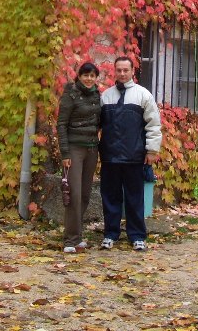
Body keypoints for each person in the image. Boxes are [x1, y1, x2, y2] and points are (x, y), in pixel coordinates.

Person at [99, 56, 162, 251]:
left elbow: (153, 124)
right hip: (110, 156)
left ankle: (137, 236)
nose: (122, 73)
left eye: (126, 70)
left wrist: (152, 150)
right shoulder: (106, 96)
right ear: (114, 71)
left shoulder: (143, 95)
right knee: (110, 197)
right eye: (119, 70)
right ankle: (110, 234)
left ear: (132, 71)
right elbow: (97, 125)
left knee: (135, 197)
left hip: (134, 156)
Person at [57, 61, 101, 253]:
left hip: (92, 149)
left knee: (84, 194)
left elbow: (99, 121)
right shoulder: (71, 94)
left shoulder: (97, 95)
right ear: (79, 76)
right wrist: (65, 153)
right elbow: (61, 125)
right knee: (73, 194)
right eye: (86, 75)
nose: (89, 79)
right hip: (74, 149)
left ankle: (77, 236)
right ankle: (70, 240)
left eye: (92, 75)